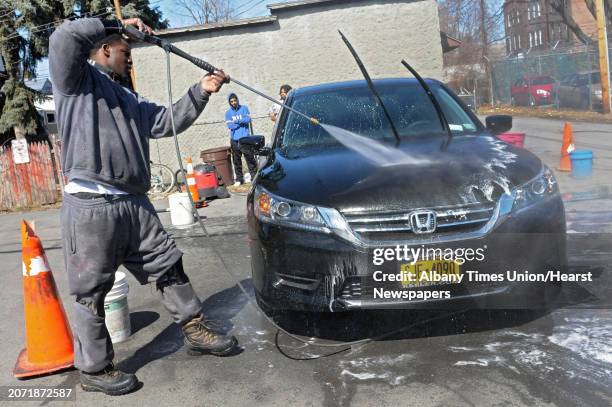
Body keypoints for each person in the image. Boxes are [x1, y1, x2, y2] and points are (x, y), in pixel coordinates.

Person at [49, 16, 238, 396]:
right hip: (91, 205)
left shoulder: (129, 98)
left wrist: (201, 90)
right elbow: (65, 36)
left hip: (134, 204)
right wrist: (113, 22)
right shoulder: (75, 81)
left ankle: (193, 327)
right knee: (91, 290)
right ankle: (95, 368)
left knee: (167, 264)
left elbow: (166, 122)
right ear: (105, 48)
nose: (130, 58)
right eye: (125, 50)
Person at [225, 93, 257, 186]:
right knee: (236, 160)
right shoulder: (228, 113)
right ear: (229, 103)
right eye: (231, 101)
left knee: (250, 158)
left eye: (235, 100)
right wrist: (241, 121)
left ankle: (254, 176)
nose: (234, 102)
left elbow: (247, 120)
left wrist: (237, 121)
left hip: (245, 138)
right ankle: (239, 179)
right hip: (234, 139)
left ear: (237, 100)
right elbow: (230, 126)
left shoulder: (244, 108)